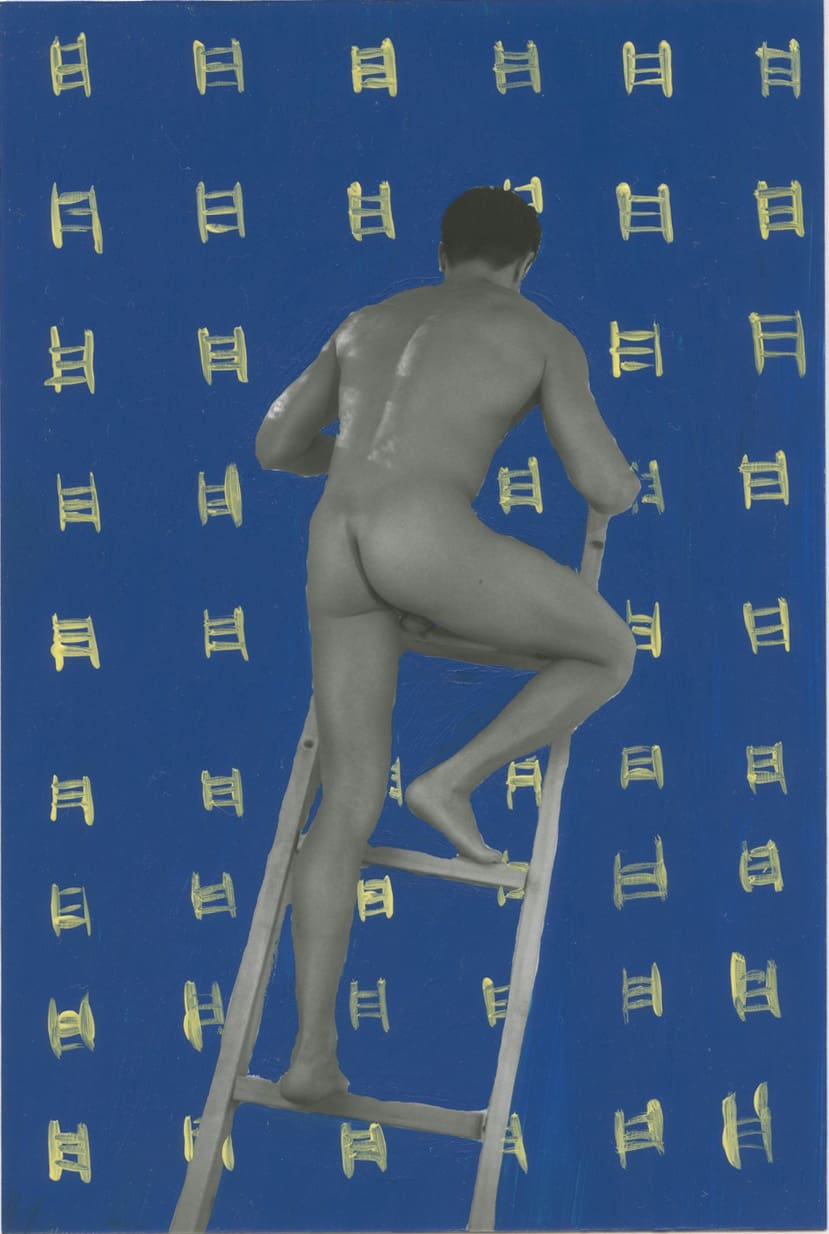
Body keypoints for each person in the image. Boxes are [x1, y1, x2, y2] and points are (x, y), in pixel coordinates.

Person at [255, 186, 640, 1106]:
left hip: (334, 541)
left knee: (345, 803)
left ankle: (310, 1057)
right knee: (608, 652)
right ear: (525, 262)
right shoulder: (540, 333)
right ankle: (453, 780)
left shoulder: (365, 320)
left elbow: (275, 445)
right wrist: (625, 482)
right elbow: (603, 484)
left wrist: (361, 464)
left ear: (441, 252)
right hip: (423, 542)